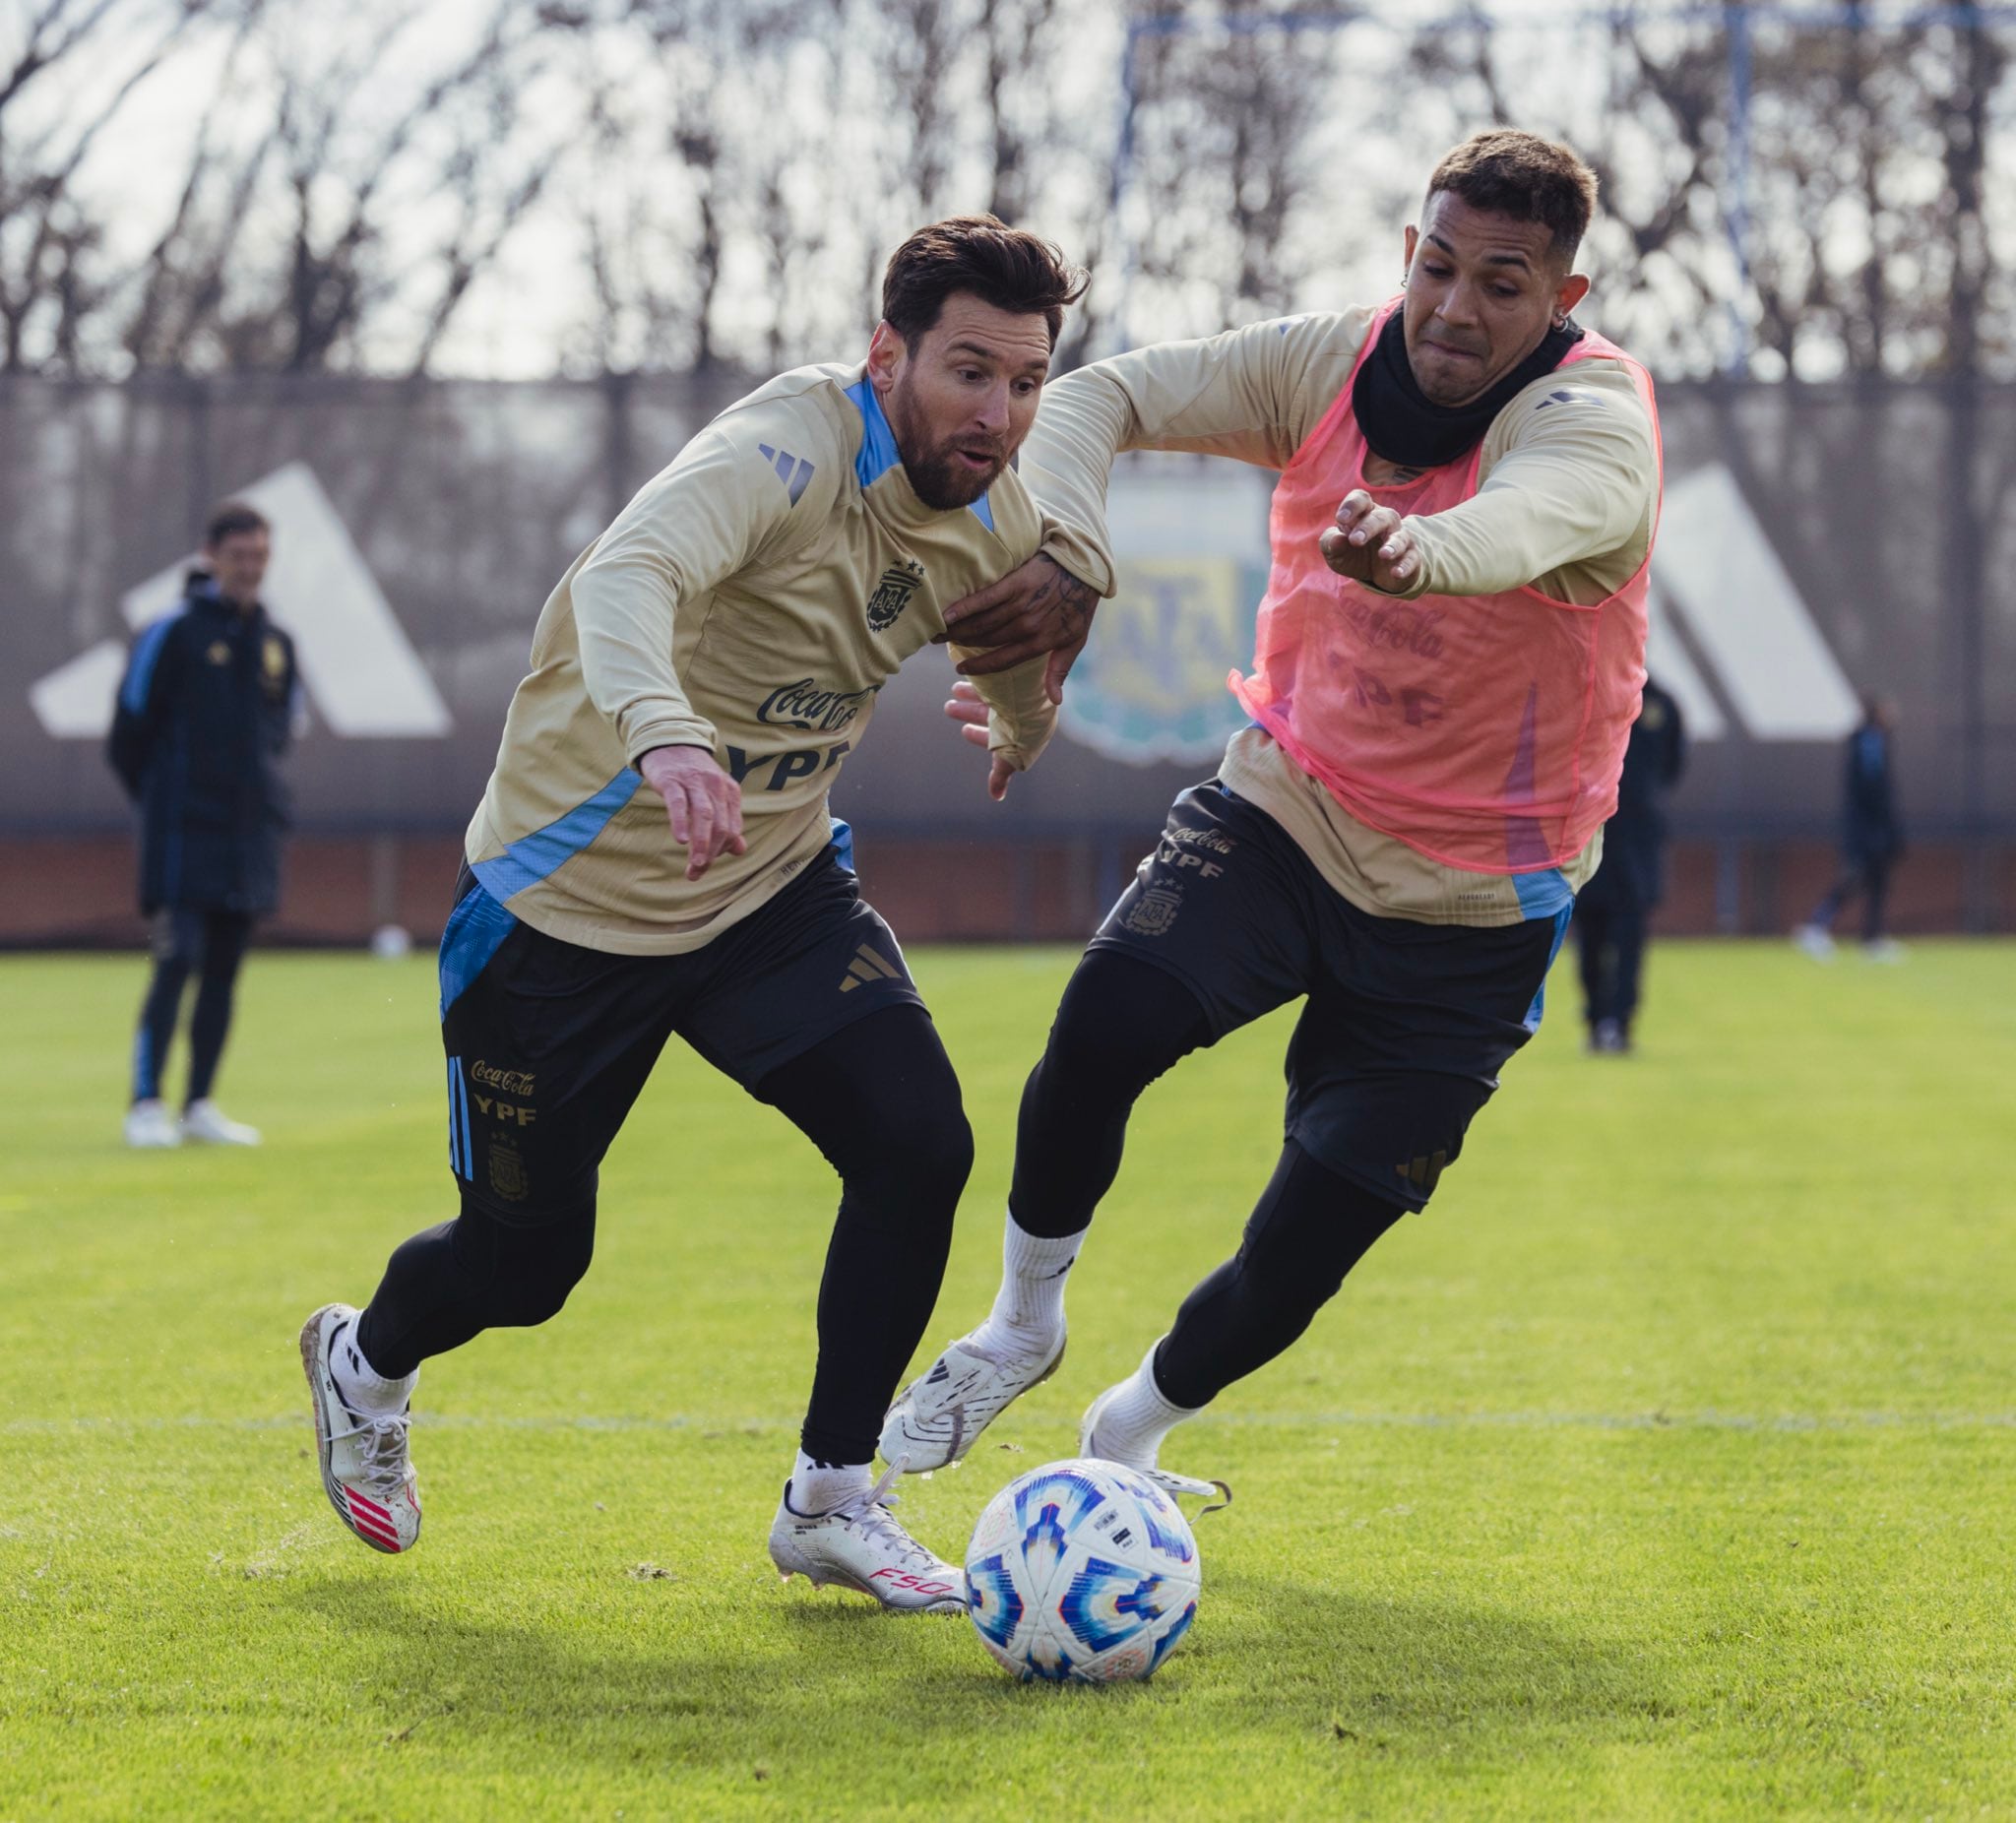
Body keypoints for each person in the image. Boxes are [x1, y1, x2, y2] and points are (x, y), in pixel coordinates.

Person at [299, 218, 1088, 1610]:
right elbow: (626, 578)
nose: (999, 413)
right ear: (886, 355)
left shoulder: (995, 514)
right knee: (526, 1268)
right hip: (561, 912)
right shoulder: (780, 453)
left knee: (917, 1144)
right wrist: (666, 737)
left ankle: (831, 1499)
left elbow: (1010, 635)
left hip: (766, 893)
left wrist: (1021, 725)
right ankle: (363, 1363)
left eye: (1026, 382)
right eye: (969, 372)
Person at [881, 130, 1662, 1498]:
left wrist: (1421, 548)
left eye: (1500, 284)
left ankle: (1131, 1425)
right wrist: (1073, 552)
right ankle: (1020, 1324)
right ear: (1407, 254)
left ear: (1562, 298)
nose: (1454, 308)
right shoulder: (1323, 363)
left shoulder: (1595, 420)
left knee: (1302, 1252)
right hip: (1289, 810)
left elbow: (1534, 518)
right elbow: (1098, 396)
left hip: (1477, 900)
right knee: (1103, 1023)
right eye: (1435, 266)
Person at [107, 502, 295, 1150]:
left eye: (259, 556)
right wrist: (164, 801)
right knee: (176, 958)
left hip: (248, 837)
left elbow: (278, 734)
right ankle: (145, 1105)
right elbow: (128, 732)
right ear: (210, 556)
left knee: (224, 968)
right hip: (182, 835)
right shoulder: (173, 632)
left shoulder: (276, 642)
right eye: (239, 556)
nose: (250, 568)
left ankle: (199, 1105)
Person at [1573, 674, 1685, 1052]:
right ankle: (1595, 1019)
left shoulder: (1661, 704)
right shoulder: (1585, 693)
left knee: (1630, 936)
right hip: (1591, 834)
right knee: (1590, 935)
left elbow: (1671, 767)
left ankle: (1619, 1023)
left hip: (1636, 841)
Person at [1794, 696, 1903, 961]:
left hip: (1874, 827)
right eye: (1887, 710)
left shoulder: (1876, 740)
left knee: (1878, 881)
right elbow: (1870, 788)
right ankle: (1815, 927)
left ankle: (1872, 939)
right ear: (1876, 713)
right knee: (1853, 876)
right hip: (1866, 828)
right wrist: (1879, 827)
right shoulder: (1868, 741)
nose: (1893, 715)